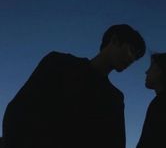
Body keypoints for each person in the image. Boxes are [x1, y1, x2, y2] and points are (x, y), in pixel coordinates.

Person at [2, 24, 146, 148]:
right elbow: (18, 109)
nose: (132, 59)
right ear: (114, 40)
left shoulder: (114, 99)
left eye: (136, 58)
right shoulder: (58, 63)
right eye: (132, 51)